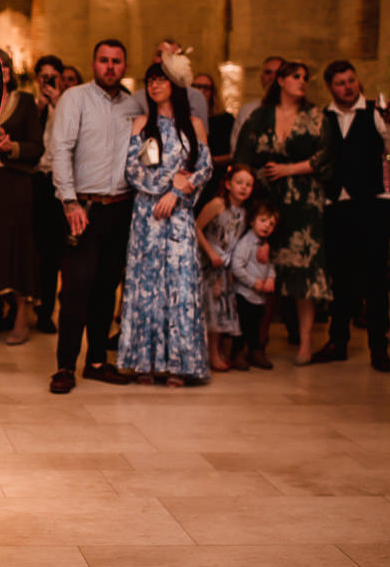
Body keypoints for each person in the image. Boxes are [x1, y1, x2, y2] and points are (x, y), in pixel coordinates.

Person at [48, 39, 146, 393]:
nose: (110, 67)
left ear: (124, 66)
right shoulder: (76, 98)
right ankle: (65, 366)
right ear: (94, 63)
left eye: (117, 61)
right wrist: (69, 202)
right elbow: (60, 150)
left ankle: (96, 361)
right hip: (82, 209)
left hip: (120, 208)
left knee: (107, 288)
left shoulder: (133, 105)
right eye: (104, 60)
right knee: (76, 289)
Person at [233, 60, 334, 365]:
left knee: (304, 271)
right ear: (280, 81)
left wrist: (290, 168)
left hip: (305, 203)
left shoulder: (316, 117)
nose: (302, 82)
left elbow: (327, 157)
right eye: (295, 77)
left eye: (305, 77)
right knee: (262, 267)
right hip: (267, 201)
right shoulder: (260, 116)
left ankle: (305, 343)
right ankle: (256, 341)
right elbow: (243, 156)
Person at [117, 59, 211, 385]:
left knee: (179, 286)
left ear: (175, 83)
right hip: (148, 215)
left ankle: (179, 365)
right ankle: (144, 362)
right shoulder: (142, 122)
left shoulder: (194, 125)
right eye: (150, 80)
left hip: (180, 215)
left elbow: (204, 168)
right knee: (147, 286)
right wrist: (167, 189)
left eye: (161, 80)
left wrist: (178, 192)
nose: (155, 86)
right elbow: (134, 170)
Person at [312, 60, 390, 371]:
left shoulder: (376, 111)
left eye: (351, 80)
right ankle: (338, 341)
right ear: (330, 87)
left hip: (372, 203)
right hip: (337, 204)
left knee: (375, 279)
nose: (347, 87)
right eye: (340, 83)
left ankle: (379, 347)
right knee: (340, 279)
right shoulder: (323, 117)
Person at [0, 48, 42, 345]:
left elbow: (37, 146)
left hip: (17, 183)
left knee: (19, 248)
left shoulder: (25, 102)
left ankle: (20, 316)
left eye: (6, 65)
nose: (2, 69)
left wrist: (10, 146)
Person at [196, 165, 256, 372]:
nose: (244, 188)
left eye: (248, 185)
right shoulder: (217, 204)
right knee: (211, 307)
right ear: (228, 184)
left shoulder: (245, 213)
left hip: (225, 266)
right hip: (208, 262)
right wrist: (210, 253)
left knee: (222, 309)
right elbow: (196, 227)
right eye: (239, 183)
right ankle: (210, 354)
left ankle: (217, 351)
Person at [30, 54, 67, 333]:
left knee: (53, 251)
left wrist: (56, 103)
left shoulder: (67, 104)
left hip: (57, 183)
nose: (48, 81)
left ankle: (46, 310)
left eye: (53, 76)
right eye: (44, 76)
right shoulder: (30, 105)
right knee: (32, 249)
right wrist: (40, 108)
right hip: (33, 181)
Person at [229, 202, 278, 370]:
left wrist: (271, 278)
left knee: (256, 325)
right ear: (252, 221)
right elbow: (236, 266)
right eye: (263, 220)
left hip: (259, 296)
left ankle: (255, 351)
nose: (267, 226)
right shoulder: (246, 243)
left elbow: (269, 265)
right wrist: (253, 282)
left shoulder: (264, 244)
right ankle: (237, 353)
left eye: (271, 224)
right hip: (245, 293)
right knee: (242, 325)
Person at [191, 71, 235, 204]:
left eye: (206, 87)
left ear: (213, 92)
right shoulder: (186, 118)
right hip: (190, 178)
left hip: (215, 179)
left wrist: (211, 160)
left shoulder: (225, 120)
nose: (201, 91)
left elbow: (233, 154)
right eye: (196, 86)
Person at [231, 54, 284, 150]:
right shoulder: (247, 110)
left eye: (278, 73)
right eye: (268, 73)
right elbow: (237, 148)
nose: (273, 77)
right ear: (261, 78)